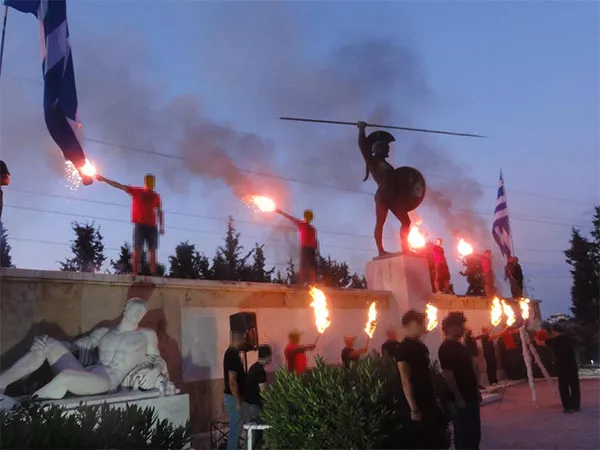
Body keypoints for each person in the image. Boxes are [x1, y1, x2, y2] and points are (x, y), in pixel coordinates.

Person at [0, 298, 171, 400]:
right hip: (85, 371)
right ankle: (2, 383)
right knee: (47, 343)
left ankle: (24, 406)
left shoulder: (146, 335)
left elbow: (158, 359)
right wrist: (44, 341)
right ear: (125, 309)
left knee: (65, 378)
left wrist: (155, 371)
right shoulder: (104, 332)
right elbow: (78, 346)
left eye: (143, 311)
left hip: (107, 381)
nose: (140, 312)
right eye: (137, 307)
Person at [96, 173, 164, 275]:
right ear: (145, 182)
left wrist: (161, 226)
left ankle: (153, 273)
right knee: (137, 248)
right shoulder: (137, 191)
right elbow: (119, 186)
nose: (151, 184)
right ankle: (135, 272)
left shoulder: (156, 196)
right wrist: (104, 179)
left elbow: (159, 211)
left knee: (152, 250)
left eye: (152, 182)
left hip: (152, 226)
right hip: (140, 225)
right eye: (149, 182)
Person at [396, 309, 446, 449]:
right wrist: (414, 409)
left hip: (428, 402)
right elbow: (405, 380)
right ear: (410, 324)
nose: (424, 326)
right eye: (420, 323)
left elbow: (426, 375)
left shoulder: (421, 347)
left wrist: (435, 399)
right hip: (416, 406)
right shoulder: (403, 349)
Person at [439, 312, 481, 450]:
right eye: (460, 325)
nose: (463, 328)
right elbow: (448, 375)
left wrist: (476, 391)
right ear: (450, 328)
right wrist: (458, 398)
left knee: (474, 434)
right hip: (461, 399)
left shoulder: (460, 346)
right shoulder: (446, 348)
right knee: (464, 435)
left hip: (470, 396)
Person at [535, 323, 580, 413]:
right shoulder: (568, 338)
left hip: (562, 365)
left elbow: (541, 343)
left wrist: (535, 339)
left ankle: (567, 406)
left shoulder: (555, 340)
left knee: (564, 386)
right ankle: (576, 405)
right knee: (574, 385)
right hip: (572, 364)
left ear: (554, 331)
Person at [275, 209, 318, 285]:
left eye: (309, 217)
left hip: (310, 249)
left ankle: (312, 282)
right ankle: (304, 281)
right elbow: (291, 218)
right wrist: (281, 212)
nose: (308, 219)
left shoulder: (312, 229)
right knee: (305, 265)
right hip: (306, 248)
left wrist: (316, 250)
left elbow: (315, 240)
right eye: (307, 217)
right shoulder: (302, 224)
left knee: (311, 266)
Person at [243, 345, 272, 449]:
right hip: (254, 407)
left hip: (247, 406)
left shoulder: (253, 367)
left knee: (251, 436)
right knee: (257, 435)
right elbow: (263, 391)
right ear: (267, 357)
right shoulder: (260, 371)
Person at [223, 331, 246, 450]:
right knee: (235, 431)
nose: (245, 341)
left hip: (232, 397)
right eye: (243, 337)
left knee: (236, 430)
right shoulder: (232, 354)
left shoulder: (232, 353)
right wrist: (238, 402)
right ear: (239, 338)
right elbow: (232, 381)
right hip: (233, 398)